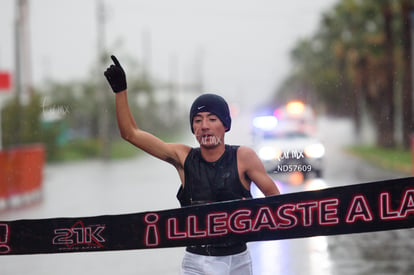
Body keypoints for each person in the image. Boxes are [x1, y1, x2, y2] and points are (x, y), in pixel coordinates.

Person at [104, 55, 280, 275]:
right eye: (198, 120)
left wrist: (252, 216)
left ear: (225, 125)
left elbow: (279, 204)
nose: (204, 126)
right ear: (193, 129)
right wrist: (121, 91)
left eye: (212, 119)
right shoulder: (183, 157)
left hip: (239, 259)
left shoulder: (244, 157)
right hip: (199, 262)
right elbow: (130, 134)